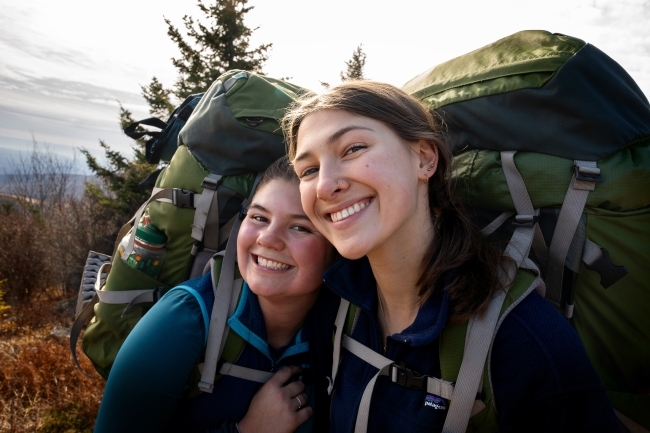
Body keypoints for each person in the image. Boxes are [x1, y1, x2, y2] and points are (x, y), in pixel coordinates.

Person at [283, 81, 621, 432]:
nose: (324, 186)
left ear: (425, 159)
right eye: (308, 170)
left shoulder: (526, 343)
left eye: (353, 148)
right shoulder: (335, 307)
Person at [94, 156, 340, 433]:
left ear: (337, 249)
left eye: (300, 227)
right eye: (259, 217)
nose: (267, 239)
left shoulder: (347, 332)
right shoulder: (184, 319)